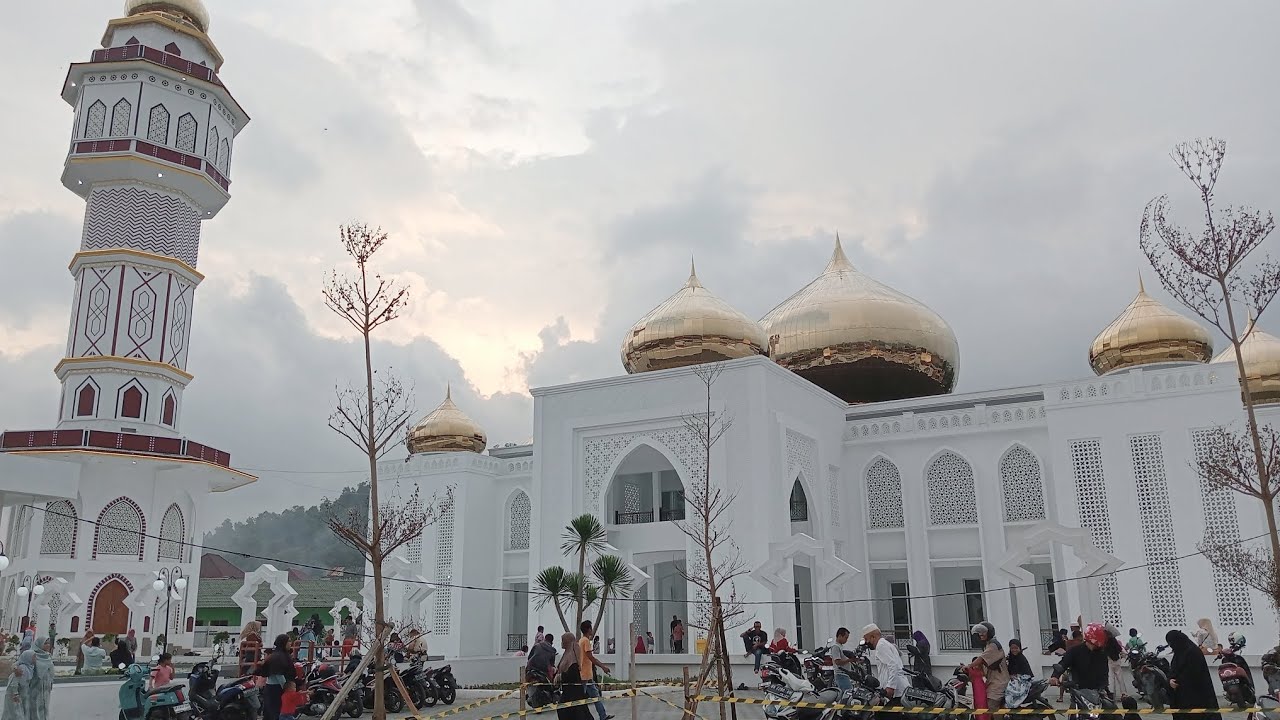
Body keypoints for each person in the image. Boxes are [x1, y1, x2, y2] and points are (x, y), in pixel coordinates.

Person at [1050, 623, 1114, 710]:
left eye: (1097, 645)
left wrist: (1104, 687)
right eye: (1093, 644)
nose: (1095, 647)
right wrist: (1055, 677)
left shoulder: (1102, 654)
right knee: (1073, 713)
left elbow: (1104, 673)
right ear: (1087, 639)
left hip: (1097, 693)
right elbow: (1063, 663)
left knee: (1114, 712)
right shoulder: (1074, 651)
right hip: (1078, 691)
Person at [1166, 630, 1220, 720]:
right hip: (1182, 697)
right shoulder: (1179, 653)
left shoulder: (1193, 652)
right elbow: (1173, 671)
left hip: (1198, 697)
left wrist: (1178, 681)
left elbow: (1194, 674)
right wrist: (1170, 680)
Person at [256, 634, 299, 720]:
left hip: (274, 688)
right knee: (276, 713)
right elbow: (278, 674)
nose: (290, 643)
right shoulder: (278, 657)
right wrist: (286, 688)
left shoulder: (279, 655)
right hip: (276, 689)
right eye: (289, 641)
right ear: (283, 643)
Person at [966, 622, 1008, 710]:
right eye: (979, 633)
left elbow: (981, 659)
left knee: (991, 707)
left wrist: (969, 666)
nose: (981, 634)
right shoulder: (987, 645)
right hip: (992, 682)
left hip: (998, 683)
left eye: (983, 632)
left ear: (989, 632)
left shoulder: (993, 645)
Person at [861, 624, 908, 700]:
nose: (866, 642)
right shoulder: (884, 644)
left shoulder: (881, 646)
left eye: (866, 639)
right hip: (894, 689)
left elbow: (893, 665)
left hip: (895, 691)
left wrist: (891, 686)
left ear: (873, 637)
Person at [579, 620, 614, 720]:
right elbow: (591, 657)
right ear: (588, 629)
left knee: (596, 696)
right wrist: (603, 667)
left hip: (587, 675)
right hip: (585, 674)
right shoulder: (585, 641)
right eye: (591, 628)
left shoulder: (582, 640)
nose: (592, 630)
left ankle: (603, 716)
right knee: (581, 699)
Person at [556, 633, 592, 720]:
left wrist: (561, 677)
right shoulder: (567, 654)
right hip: (567, 692)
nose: (561, 643)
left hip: (574, 694)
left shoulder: (573, 657)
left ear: (567, 641)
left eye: (563, 640)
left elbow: (572, 674)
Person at [19, 637, 53, 720]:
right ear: (39, 644)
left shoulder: (48, 656)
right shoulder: (32, 654)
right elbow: (19, 663)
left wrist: (51, 683)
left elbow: (50, 673)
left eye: (49, 643)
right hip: (35, 688)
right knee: (34, 709)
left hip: (46, 689)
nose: (48, 645)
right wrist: (16, 669)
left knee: (44, 709)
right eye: (45, 643)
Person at [1004, 639, 1035, 707]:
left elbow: (1022, 673)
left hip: (1023, 679)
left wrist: (1013, 676)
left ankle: (1010, 707)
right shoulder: (1011, 658)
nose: (1014, 650)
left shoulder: (1021, 658)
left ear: (1019, 648)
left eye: (1016, 648)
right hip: (1015, 678)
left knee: (1010, 690)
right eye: (1012, 648)